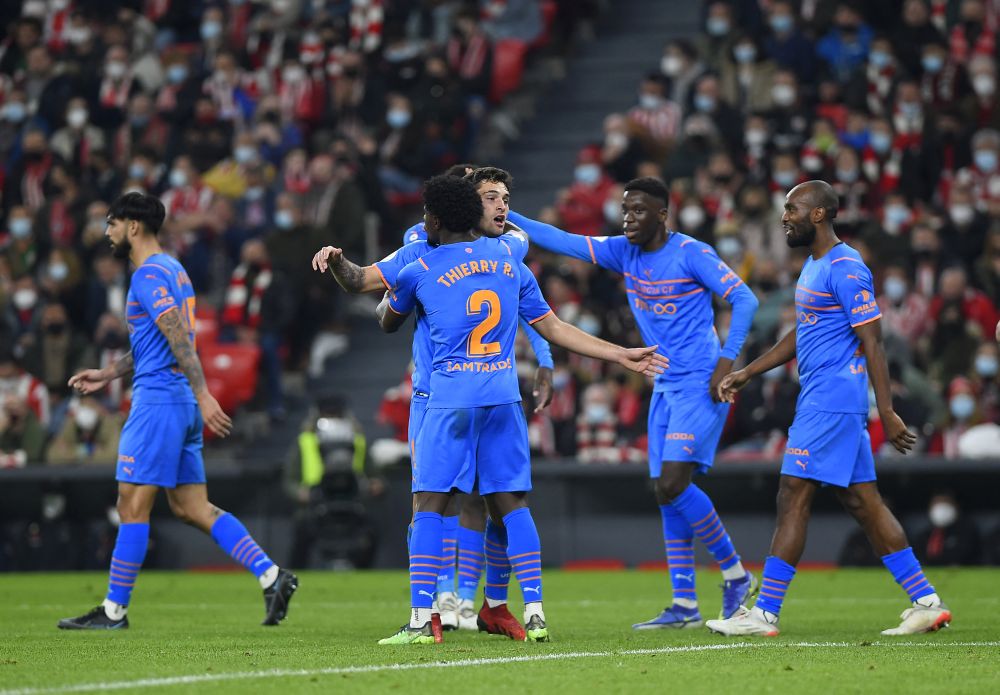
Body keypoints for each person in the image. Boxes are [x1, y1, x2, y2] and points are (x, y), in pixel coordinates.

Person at [374, 174, 666, 644]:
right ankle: (532, 610)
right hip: (503, 400)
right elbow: (552, 326)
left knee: (428, 505)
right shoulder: (511, 258)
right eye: (494, 199)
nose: (502, 207)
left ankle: (422, 619)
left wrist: (345, 269)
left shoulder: (419, 262)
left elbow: (380, 307)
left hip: (446, 401)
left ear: (435, 217)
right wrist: (618, 353)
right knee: (509, 504)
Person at [507, 176, 760, 629]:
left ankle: (736, 574)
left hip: (701, 384)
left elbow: (745, 299)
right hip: (662, 385)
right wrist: (504, 216)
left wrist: (726, 362)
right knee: (667, 495)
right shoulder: (623, 251)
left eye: (639, 211)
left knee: (673, 484)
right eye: (625, 210)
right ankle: (684, 605)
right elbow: (561, 240)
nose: (628, 218)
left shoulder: (692, 253)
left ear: (663, 215)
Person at [313, 165, 553, 637]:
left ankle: (467, 601)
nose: (499, 206)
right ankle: (448, 595)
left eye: (503, 197)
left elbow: (535, 309)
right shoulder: (427, 244)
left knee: (476, 500)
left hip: (458, 393)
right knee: (445, 499)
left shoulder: (506, 246)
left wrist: (544, 358)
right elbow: (368, 286)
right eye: (488, 197)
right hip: (436, 394)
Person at [706, 180, 951, 637]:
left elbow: (872, 341)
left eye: (792, 209)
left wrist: (888, 409)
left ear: (818, 214)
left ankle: (764, 614)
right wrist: (749, 371)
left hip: (832, 401)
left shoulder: (846, 265)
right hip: (825, 398)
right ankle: (925, 601)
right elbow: (802, 334)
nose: (785, 217)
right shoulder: (814, 266)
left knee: (793, 493)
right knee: (863, 501)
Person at [56, 193, 297, 630]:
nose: (107, 232)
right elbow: (158, 339)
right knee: (191, 507)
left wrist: (204, 392)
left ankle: (113, 611)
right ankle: (271, 574)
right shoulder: (173, 269)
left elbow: (178, 338)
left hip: (160, 402)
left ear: (133, 226)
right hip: (178, 401)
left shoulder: (146, 275)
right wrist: (109, 374)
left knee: (131, 505)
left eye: (111, 223)